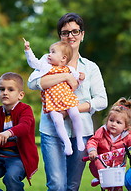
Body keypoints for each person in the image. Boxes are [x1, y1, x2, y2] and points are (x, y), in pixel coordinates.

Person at [28, 12, 108, 191]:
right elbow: (33, 83)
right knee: (56, 185)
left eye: (75, 31)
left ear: (82, 35)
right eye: (65, 32)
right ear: (60, 36)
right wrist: (65, 75)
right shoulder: (47, 60)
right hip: (52, 132)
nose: (70, 36)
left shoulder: (90, 67)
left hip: (83, 132)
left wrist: (72, 109)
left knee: (72, 186)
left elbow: (101, 100)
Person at [23, 39, 85, 155]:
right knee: (57, 121)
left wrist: (81, 78)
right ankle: (67, 143)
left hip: (67, 98)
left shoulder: (70, 70)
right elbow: (33, 62)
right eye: (49, 52)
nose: (49, 55)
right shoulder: (46, 67)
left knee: (75, 115)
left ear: (63, 58)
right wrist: (28, 50)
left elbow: (77, 83)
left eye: (53, 52)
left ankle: (79, 139)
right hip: (52, 101)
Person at [86, 97, 131, 190]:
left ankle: (103, 180)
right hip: (101, 164)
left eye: (118, 122)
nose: (113, 124)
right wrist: (92, 150)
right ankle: (100, 178)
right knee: (98, 164)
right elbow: (93, 140)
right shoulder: (102, 131)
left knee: (118, 187)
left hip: (117, 167)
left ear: (126, 127)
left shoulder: (127, 136)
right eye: (111, 120)